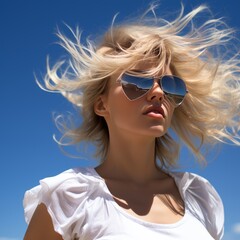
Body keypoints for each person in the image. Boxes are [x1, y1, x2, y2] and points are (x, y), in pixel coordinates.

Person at [23, 4, 240, 240]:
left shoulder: (200, 196)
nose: (158, 92)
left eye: (170, 85)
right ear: (101, 105)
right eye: (137, 82)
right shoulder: (69, 197)